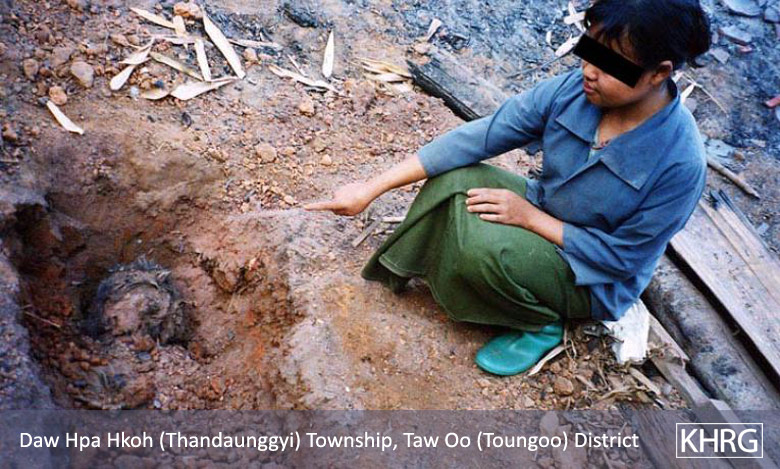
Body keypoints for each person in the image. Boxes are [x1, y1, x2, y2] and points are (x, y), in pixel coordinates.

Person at [305, 0, 711, 376]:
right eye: (590, 52)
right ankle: (410, 267)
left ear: (659, 73)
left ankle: (539, 321)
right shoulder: (574, 91)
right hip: (546, 209)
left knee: (483, 250)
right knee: (454, 178)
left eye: (611, 65)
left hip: (592, 276)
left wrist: (531, 220)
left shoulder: (680, 163)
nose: (589, 71)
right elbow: (481, 137)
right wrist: (370, 189)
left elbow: (621, 260)